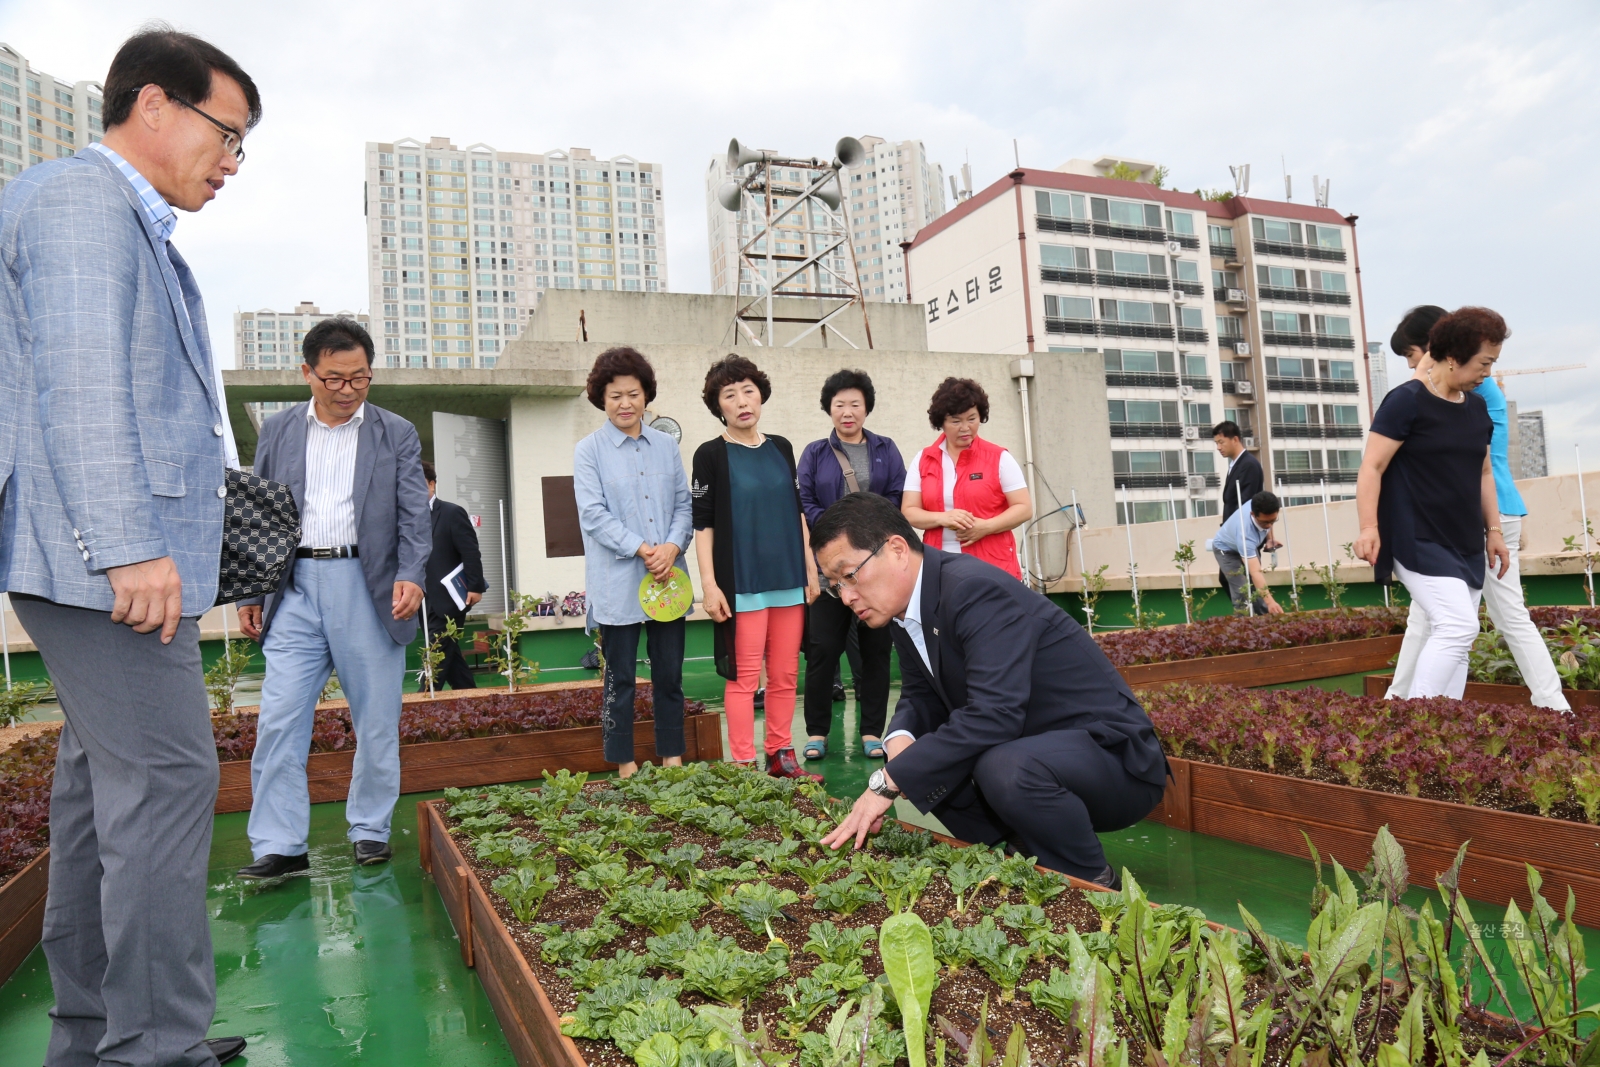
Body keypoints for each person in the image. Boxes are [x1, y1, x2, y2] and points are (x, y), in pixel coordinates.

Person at [0, 28, 258, 1067]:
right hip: (99, 556)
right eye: (226, 134)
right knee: (165, 777)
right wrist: (126, 547)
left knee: (103, 788)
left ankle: (99, 1030)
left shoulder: (125, 219)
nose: (232, 161)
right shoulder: (80, 200)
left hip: (100, 555)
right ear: (154, 105)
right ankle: (153, 1045)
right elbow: (81, 385)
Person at [812, 493, 1168, 886]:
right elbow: (920, 693)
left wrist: (889, 780)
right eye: (834, 586)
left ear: (897, 549)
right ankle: (1025, 849)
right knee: (926, 757)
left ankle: (1091, 880)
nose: (845, 596)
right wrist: (901, 738)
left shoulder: (973, 590)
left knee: (998, 766)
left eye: (850, 575)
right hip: (1041, 749)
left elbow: (996, 714)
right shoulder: (905, 610)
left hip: (1115, 762)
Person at [237, 317, 432, 877]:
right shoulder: (277, 431)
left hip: (367, 587)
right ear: (308, 373)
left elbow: (414, 516)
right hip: (293, 587)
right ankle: (279, 844)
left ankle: (369, 829)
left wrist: (413, 574)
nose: (347, 391)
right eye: (333, 379)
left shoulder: (395, 432)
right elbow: (258, 515)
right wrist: (252, 588)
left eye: (360, 379)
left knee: (375, 719)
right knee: (278, 718)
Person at [1383, 307, 1569, 711]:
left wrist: (1492, 532)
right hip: (1466, 515)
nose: (1415, 366)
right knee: (1435, 622)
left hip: (1486, 514)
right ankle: (1403, 701)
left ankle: (1555, 706)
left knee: (1494, 618)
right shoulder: (1452, 382)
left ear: (1434, 348)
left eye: (1413, 355)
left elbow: (1480, 465)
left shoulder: (1469, 386)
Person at [1355, 307, 1512, 699]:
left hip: (1465, 539)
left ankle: (1442, 728)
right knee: (1458, 626)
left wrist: (1494, 532)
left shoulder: (1476, 408)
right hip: (1417, 535)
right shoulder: (1405, 401)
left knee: (1457, 644)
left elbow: (1483, 474)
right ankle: (1416, 722)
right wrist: (1368, 527)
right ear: (1453, 357)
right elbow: (1372, 467)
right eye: (1483, 363)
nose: (1487, 373)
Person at [692, 354, 823, 781]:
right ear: (719, 406)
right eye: (730, 395)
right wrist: (709, 585)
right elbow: (704, 524)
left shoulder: (781, 448)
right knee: (744, 679)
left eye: (748, 390)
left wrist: (810, 571)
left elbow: (797, 514)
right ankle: (744, 763)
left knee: (785, 675)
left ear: (761, 395)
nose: (742, 401)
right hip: (742, 584)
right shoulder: (710, 455)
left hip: (788, 580)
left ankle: (781, 754)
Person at [572, 347, 693, 779]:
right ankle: (625, 762)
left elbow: (684, 505)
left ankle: (672, 757)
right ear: (601, 400)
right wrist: (645, 549)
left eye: (634, 394)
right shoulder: (589, 451)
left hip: (668, 581)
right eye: (615, 395)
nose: (625, 403)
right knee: (619, 679)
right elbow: (593, 514)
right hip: (617, 581)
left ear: (646, 396)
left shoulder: (666, 447)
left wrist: (673, 549)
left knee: (670, 675)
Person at [796, 369, 907, 760]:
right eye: (839, 404)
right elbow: (806, 503)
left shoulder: (885, 448)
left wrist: (867, 536)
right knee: (823, 649)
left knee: (877, 650)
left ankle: (872, 731)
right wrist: (835, 539)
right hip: (830, 571)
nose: (847, 411)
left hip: (874, 569)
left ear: (866, 409)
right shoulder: (814, 453)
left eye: (855, 404)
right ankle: (817, 732)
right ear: (829, 408)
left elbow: (895, 498)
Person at [902, 377, 1031, 580]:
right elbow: (909, 512)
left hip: (992, 567)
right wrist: (941, 518)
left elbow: (1024, 508)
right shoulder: (923, 459)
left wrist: (986, 527)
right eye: (956, 421)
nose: (965, 427)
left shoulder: (999, 457)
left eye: (972, 419)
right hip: (939, 566)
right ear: (941, 423)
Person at [420, 459, 488, 690]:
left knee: (436, 655)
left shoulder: (451, 513)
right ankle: (475, 703)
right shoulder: (405, 518)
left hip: (449, 599)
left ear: (431, 485)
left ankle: (419, 709)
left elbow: (470, 552)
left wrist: (475, 586)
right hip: (421, 599)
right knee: (451, 657)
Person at [1213, 491, 1285, 616]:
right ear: (1253, 514)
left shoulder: (1261, 503)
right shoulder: (1246, 535)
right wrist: (1271, 603)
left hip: (1241, 543)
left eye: (1273, 521)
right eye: (1264, 522)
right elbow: (1255, 572)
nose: (1268, 525)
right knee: (1242, 589)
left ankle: (1265, 618)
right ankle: (1243, 625)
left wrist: (1269, 539)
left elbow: (1268, 520)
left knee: (1256, 585)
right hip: (1226, 550)